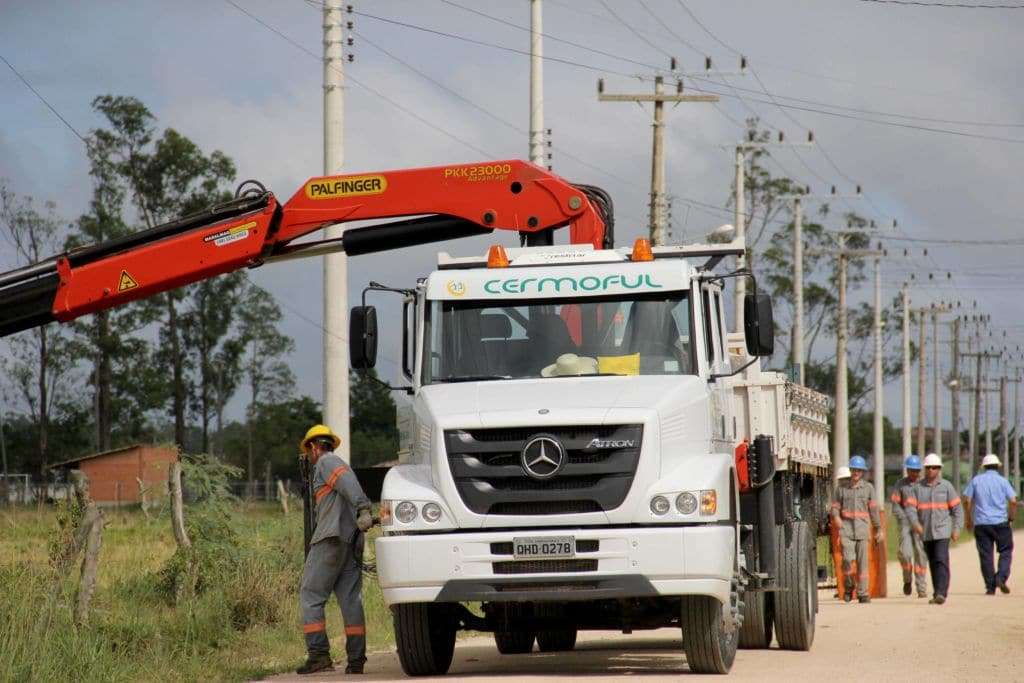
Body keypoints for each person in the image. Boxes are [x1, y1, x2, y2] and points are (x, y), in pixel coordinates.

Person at [296, 424, 374, 675]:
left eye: (308, 451)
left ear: (314, 447)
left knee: (311, 595)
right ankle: (356, 660)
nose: (308, 457)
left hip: (330, 540)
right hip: (350, 541)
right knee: (351, 599)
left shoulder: (326, 462)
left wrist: (363, 507)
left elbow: (348, 483)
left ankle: (318, 655)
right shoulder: (334, 463)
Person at [905, 453, 964, 605]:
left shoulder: (946, 487)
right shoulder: (917, 488)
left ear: (939, 469)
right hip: (926, 533)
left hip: (942, 531)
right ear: (925, 469)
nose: (931, 470)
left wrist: (956, 529)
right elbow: (910, 508)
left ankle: (941, 593)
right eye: (928, 467)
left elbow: (957, 509)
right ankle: (937, 591)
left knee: (941, 560)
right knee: (932, 562)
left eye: (934, 467)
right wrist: (915, 523)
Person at [963, 454, 1018, 595]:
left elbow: (967, 500)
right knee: (1006, 551)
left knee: (986, 555)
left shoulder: (976, 481)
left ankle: (990, 587)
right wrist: (1011, 518)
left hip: (981, 524)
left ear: (984, 467)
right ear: (997, 466)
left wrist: (968, 519)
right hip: (1001, 523)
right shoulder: (1003, 481)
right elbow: (1012, 501)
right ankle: (1000, 577)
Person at [831, 455, 883, 603]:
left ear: (862, 472)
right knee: (847, 560)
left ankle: (863, 593)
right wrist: (836, 517)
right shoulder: (841, 489)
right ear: (850, 470)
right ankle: (848, 587)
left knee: (862, 564)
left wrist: (878, 529)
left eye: (859, 470)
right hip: (846, 529)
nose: (856, 473)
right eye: (854, 469)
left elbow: (874, 510)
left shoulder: (868, 489)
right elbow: (835, 507)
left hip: (862, 530)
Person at [890, 454, 929, 598]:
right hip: (906, 525)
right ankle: (907, 580)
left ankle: (921, 588)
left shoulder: (924, 485)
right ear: (907, 470)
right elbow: (895, 506)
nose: (914, 473)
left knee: (921, 555)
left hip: (920, 525)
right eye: (911, 470)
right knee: (905, 554)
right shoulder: (900, 485)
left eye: (917, 470)